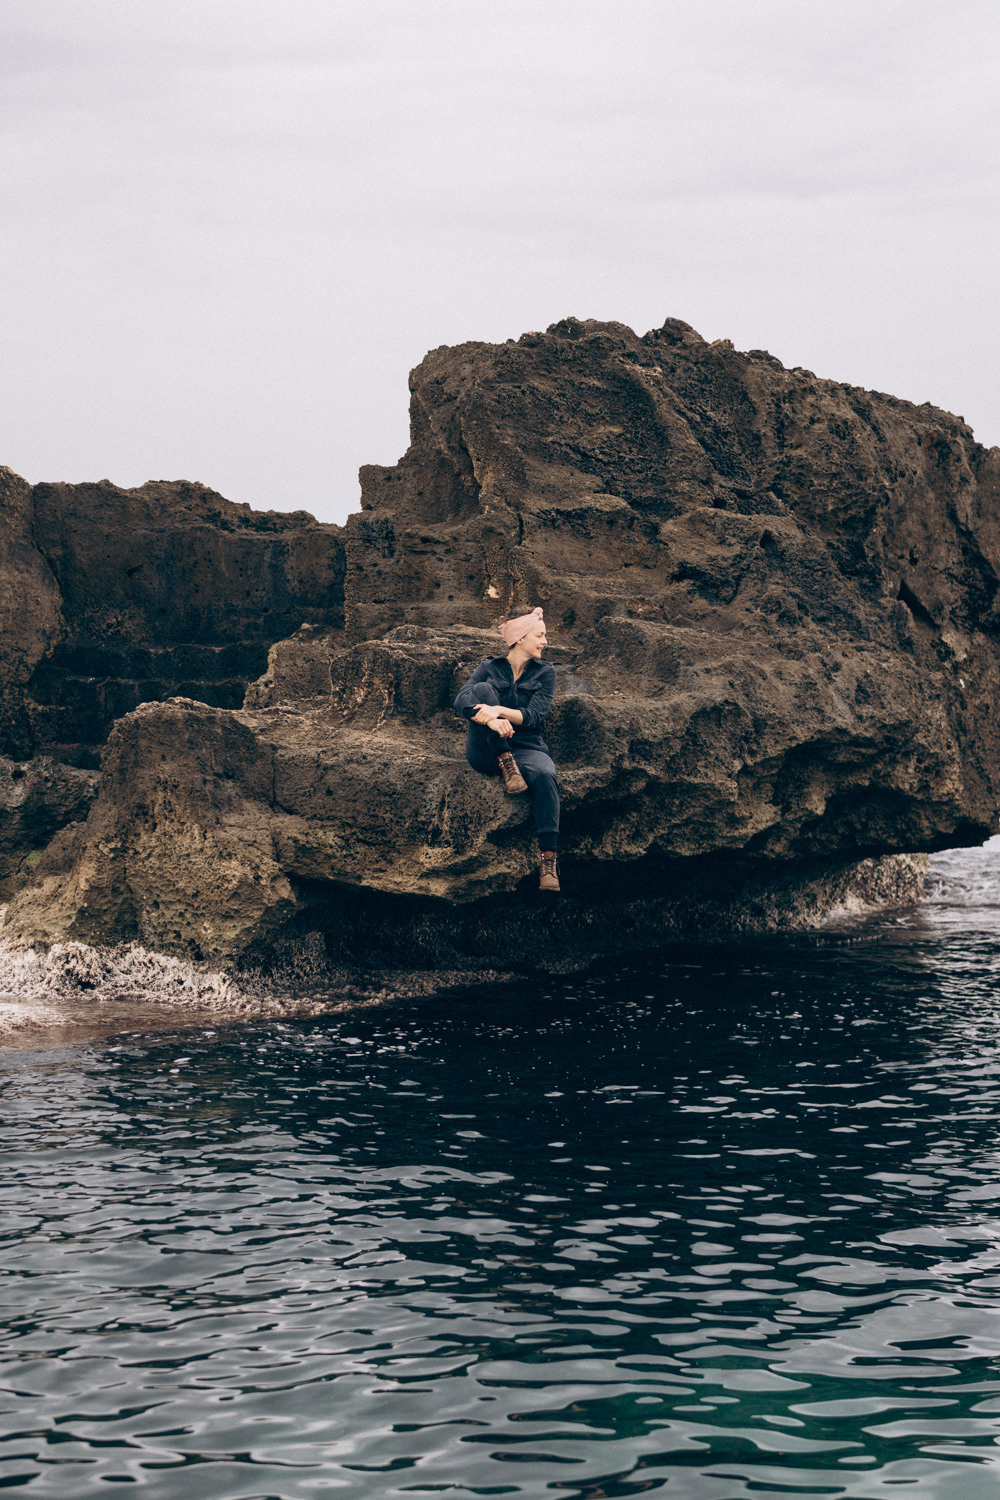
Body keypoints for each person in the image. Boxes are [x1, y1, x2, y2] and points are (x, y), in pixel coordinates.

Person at [454, 607, 561, 893]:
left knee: (546, 773)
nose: (544, 641)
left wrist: (499, 710)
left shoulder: (546, 672)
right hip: (486, 751)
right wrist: (488, 718)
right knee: (482, 691)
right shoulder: (489, 667)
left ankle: (548, 861)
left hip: (526, 747)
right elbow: (462, 698)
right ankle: (505, 762)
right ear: (520, 637)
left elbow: (536, 716)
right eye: (540, 635)